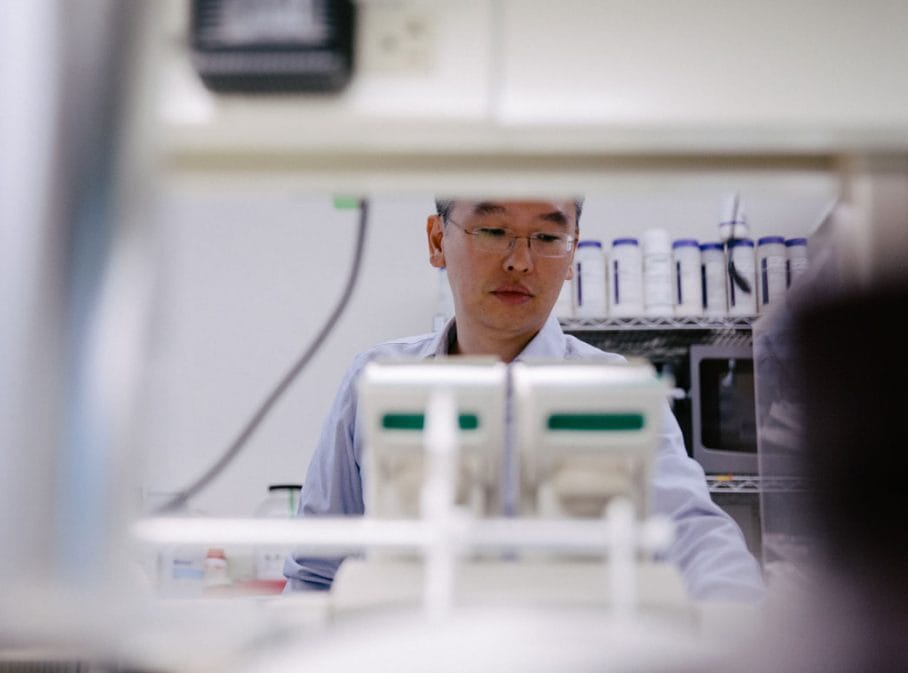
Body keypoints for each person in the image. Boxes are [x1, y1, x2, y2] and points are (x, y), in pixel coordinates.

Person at [283, 199, 765, 602]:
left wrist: (742, 625)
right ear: (436, 241)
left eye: (549, 238)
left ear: (573, 248)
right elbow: (317, 573)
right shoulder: (376, 381)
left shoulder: (609, 390)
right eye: (493, 231)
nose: (520, 261)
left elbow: (691, 533)